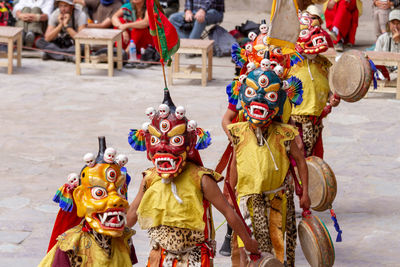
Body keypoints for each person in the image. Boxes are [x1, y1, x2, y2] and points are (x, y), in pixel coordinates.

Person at [126, 91, 259, 266]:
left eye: (174, 141)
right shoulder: (149, 178)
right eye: (157, 142)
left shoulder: (201, 178)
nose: (164, 149)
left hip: (195, 259)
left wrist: (248, 242)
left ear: (189, 144)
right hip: (160, 257)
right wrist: (118, 235)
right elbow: (133, 212)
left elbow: (228, 212)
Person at [225, 67, 310, 266]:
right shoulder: (239, 132)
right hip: (247, 200)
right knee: (250, 249)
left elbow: (301, 163)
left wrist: (304, 192)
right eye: (252, 94)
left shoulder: (285, 133)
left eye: (270, 95)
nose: (260, 101)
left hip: (277, 199)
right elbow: (235, 164)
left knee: (277, 248)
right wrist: (229, 193)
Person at [38, 137, 137, 266]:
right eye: (99, 193)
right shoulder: (70, 247)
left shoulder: (124, 239)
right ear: (80, 199)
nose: (116, 200)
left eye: (120, 192)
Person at [290, 9, 340, 158]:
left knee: (316, 160)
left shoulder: (324, 64)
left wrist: (332, 99)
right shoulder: (288, 62)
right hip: (294, 123)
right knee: (296, 161)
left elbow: (329, 90)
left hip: (316, 121)